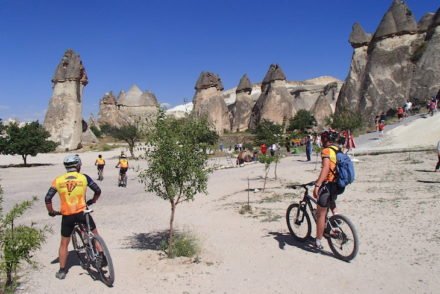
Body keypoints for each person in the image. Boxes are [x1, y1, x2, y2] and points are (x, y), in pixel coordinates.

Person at [45, 154, 104, 280]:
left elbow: (48, 198)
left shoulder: (58, 180)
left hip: (67, 215)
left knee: (64, 244)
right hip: (82, 213)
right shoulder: (84, 177)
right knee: (94, 233)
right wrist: (92, 201)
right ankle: (101, 256)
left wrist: (51, 212)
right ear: (78, 165)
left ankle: (62, 270)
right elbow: (97, 190)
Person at [313, 131, 342, 250]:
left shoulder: (326, 151)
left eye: (322, 139)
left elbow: (325, 168)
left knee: (321, 214)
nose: (321, 141)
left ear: (326, 140)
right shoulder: (338, 149)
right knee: (331, 201)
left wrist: (317, 185)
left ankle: (318, 241)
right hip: (339, 184)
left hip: (329, 184)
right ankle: (337, 218)